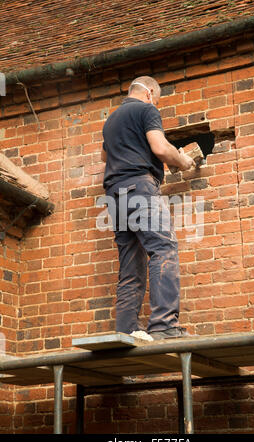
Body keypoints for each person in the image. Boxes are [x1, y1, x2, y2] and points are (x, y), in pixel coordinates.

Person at [101, 76, 195, 340]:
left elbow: (105, 157)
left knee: (131, 266)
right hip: (140, 188)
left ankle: (127, 329)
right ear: (150, 92)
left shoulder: (111, 120)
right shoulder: (147, 109)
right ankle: (164, 324)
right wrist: (182, 160)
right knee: (163, 248)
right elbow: (160, 147)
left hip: (115, 195)